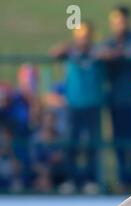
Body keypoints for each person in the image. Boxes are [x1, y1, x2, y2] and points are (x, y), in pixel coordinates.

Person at [49, 21, 105, 194]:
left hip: (92, 105)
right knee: (71, 143)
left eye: (86, 37)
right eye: (81, 37)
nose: (84, 41)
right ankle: (71, 179)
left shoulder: (97, 53)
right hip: (74, 105)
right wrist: (71, 47)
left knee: (91, 144)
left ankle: (91, 179)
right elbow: (54, 52)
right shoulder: (71, 52)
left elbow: (110, 54)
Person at [100, 6, 131, 193]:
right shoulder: (109, 42)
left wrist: (115, 55)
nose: (120, 25)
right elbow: (102, 55)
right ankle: (122, 180)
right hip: (116, 99)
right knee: (118, 140)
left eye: (122, 20)